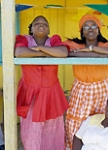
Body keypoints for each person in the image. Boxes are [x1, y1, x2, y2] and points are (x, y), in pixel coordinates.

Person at [64, 14, 108, 149]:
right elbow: (67, 53)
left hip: (101, 89)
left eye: (93, 26)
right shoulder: (74, 44)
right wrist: (101, 53)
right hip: (81, 89)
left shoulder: (107, 44)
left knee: (101, 120)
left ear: (99, 29)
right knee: (77, 124)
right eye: (86, 26)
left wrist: (91, 49)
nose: (90, 29)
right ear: (81, 30)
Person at [14, 15, 70, 150]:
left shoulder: (54, 40)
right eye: (37, 23)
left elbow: (62, 52)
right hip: (30, 92)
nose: (41, 25)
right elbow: (19, 52)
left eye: (45, 24)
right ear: (31, 28)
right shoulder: (23, 39)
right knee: (31, 131)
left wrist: (36, 49)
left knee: (52, 130)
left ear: (49, 29)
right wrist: (48, 53)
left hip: (51, 93)